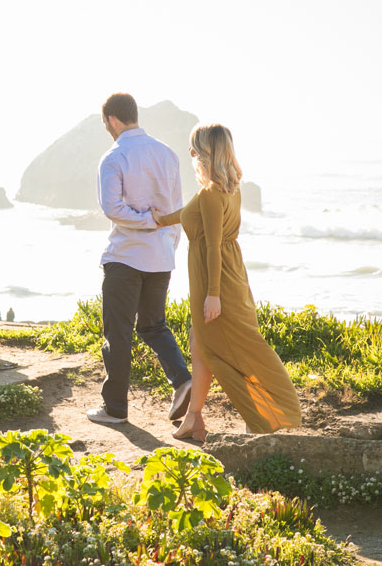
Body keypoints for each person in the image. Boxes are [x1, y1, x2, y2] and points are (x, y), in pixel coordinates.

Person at [152, 124, 301, 441]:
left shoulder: (210, 194)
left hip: (215, 279)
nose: (190, 154)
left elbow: (213, 245)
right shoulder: (228, 187)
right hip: (232, 273)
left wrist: (213, 296)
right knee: (199, 344)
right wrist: (161, 219)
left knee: (239, 349)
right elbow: (192, 215)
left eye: (194, 149)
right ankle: (194, 418)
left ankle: (272, 413)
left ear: (205, 152)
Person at [86, 93, 192, 425]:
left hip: (127, 256)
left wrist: (149, 222)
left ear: (112, 120)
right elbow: (176, 209)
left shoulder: (114, 156)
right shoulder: (167, 154)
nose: (106, 127)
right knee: (152, 325)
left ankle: (115, 409)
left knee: (117, 333)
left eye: (105, 122)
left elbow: (113, 209)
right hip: (160, 257)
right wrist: (166, 242)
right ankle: (182, 380)